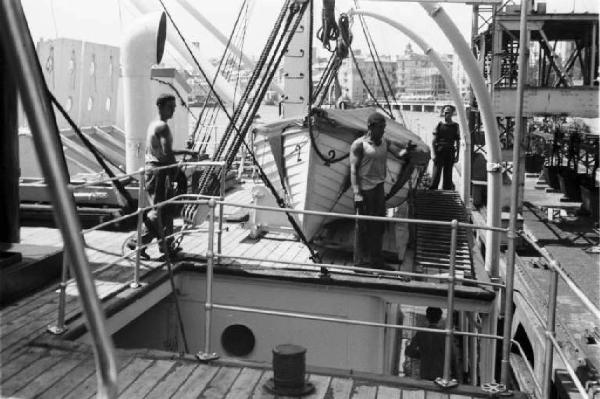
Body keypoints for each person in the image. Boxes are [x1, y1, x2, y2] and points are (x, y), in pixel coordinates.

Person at [128, 93, 196, 257]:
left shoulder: (154, 125)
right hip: (159, 172)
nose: (173, 110)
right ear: (160, 107)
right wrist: (176, 171)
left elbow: (160, 151)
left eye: (174, 107)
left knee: (167, 208)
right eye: (170, 107)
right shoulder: (163, 127)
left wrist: (185, 151)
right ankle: (137, 241)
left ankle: (166, 245)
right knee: (160, 210)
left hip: (153, 169)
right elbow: (166, 154)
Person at [350, 112, 411, 269]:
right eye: (381, 127)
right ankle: (360, 263)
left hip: (378, 189)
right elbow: (353, 171)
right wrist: (357, 194)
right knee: (362, 227)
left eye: (384, 127)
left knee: (378, 225)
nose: (383, 130)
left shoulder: (384, 141)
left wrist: (408, 151)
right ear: (370, 127)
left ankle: (376, 260)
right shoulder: (359, 145)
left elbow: (399, 153)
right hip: (364, 191)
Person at [405, 307, 460, 382]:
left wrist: (423, 355)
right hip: (440, 375)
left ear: (427, 317)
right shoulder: (445, 336)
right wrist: (456, 377)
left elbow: (409, 351)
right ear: (440, 318)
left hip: (425, 373)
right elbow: (452, 357)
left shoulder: (421, 333)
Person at [430, 106, 460, 190]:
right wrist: (433, 154)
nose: (446, 114)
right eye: (445, 112)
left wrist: (457, 156)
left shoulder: (455, 126)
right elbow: (433, 141)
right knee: (436, 172)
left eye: (448, 112)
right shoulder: (439, 125)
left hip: (450, 151)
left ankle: (446, 190)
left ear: (452, 114)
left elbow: (458, 142)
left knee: (448, 173)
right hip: (439, 151)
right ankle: (433, 190)